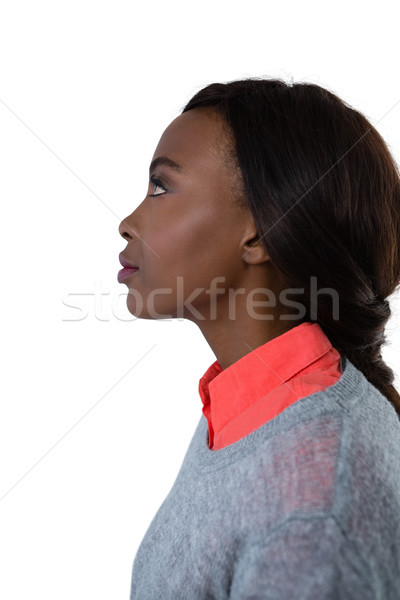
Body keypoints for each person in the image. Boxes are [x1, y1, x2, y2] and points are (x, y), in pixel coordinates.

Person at [118, 78, 400, 599]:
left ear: (261, 233)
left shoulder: (313, 502)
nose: (127, 223)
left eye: (161, 186)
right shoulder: (245, 408)